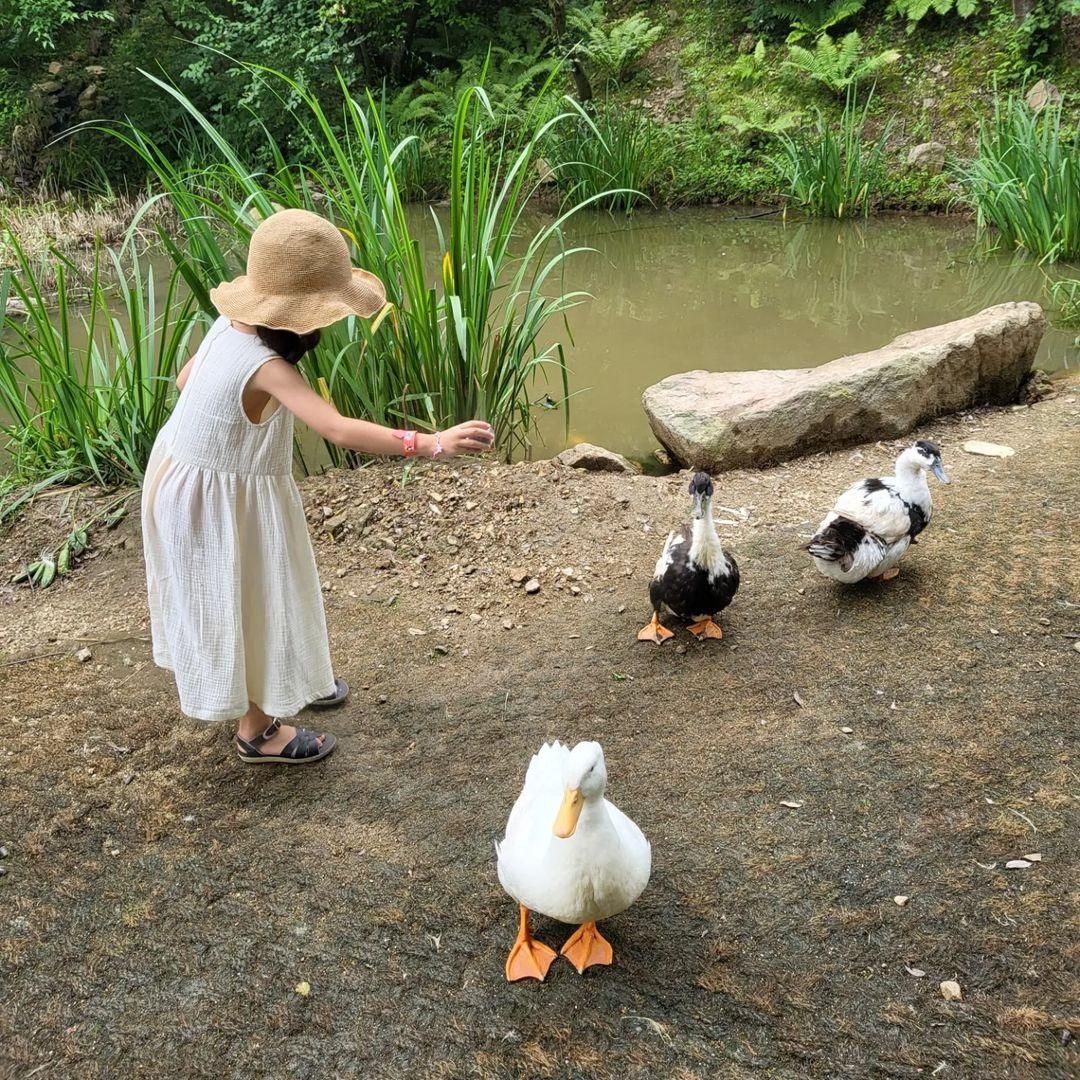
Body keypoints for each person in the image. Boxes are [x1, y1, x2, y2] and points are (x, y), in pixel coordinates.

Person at [141, 208, 494, 765]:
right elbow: (335, 428)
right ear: (302, 319)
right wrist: (430, 443)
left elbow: (187, 381)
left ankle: (291, 678)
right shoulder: (268, 368)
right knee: (246, 594)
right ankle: (256, 731)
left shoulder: (227, 327)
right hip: (213, 499)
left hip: (182, 473)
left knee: (263, 582)